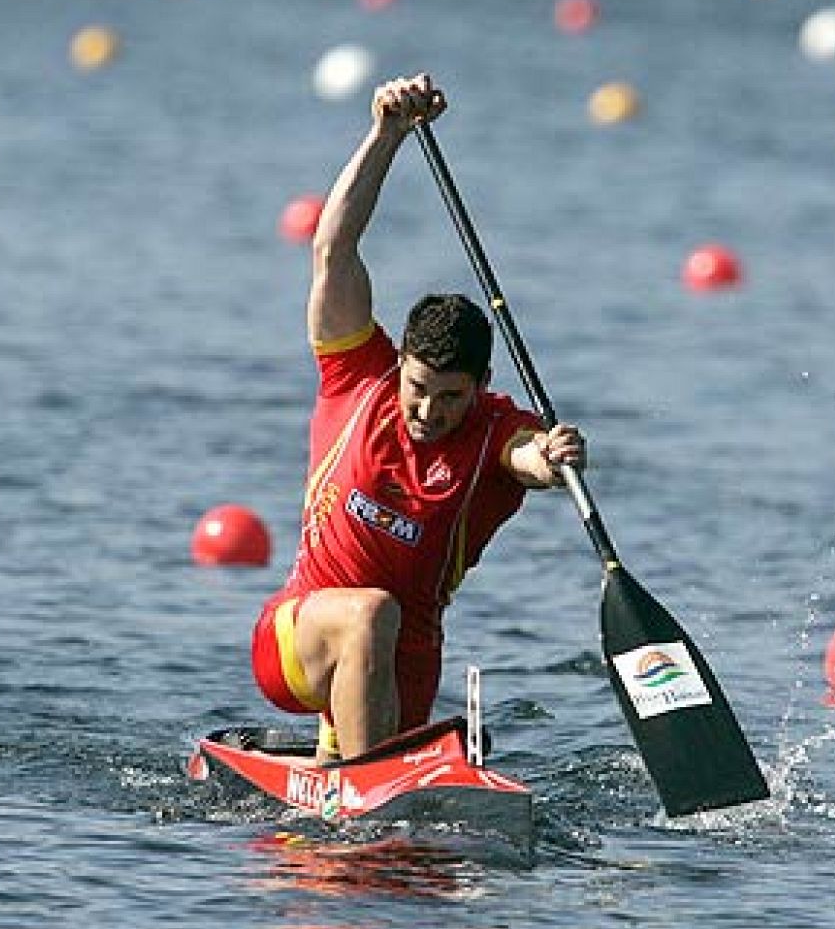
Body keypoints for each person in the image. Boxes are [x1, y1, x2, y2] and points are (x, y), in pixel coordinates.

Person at [251, 74, 586, 761]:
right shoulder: (357, 376)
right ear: (399, 359)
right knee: (369, 608)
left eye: (451, 396)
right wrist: (386, 135)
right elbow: (332, 251)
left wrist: (549, 461)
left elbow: (526, 456)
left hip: (407, 665)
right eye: (419, 387)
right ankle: (362, 784)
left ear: (482, 387)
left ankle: (341, 761)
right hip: (296, 637)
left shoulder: (495, 429)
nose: (430, 410)